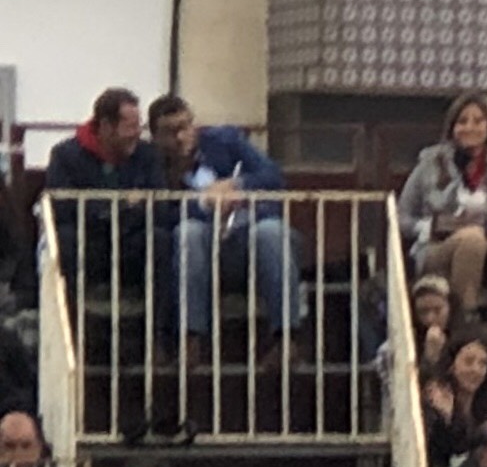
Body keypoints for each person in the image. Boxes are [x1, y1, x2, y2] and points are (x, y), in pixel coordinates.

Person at [149, 95, 305, 359]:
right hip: (203, 251)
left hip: (250, 237)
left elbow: (273, 176)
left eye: (185, 127)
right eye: (169, 132)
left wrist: (236, 186)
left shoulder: (224, 140)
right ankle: (191, 338)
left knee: (270, 232)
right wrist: (204, 204)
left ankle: (286, 338)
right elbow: (162, 215)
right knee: (188, 232)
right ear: (154, 136)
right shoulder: (153, 163)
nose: (180, 137)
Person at [400, 95, 487, 313]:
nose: (470, 127)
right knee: (471, 237)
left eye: (478, 121)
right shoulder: (430, 162)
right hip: (438, 246)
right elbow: (403, 217)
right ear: (452, 128)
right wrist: (429, 226)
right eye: (463, 121)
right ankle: (465, 313)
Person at [43, 88, 169, 300]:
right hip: (88, 245)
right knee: (63, 240)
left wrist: (111, 211)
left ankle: (159, 330)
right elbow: (62, 209)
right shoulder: (65, 156)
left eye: (139, 126)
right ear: (105, 126)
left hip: (131, 244)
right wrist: (122, 207)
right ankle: (69, 325)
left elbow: (160, 204)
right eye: (130, 127)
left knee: (160, 240)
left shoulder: (148, 155)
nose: (137, 133)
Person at [423, 324, 487, 467]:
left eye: (483, 363)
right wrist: (446, 421)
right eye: (468, 361)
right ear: (451, 364)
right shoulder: (435, 400)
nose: (476, 370)